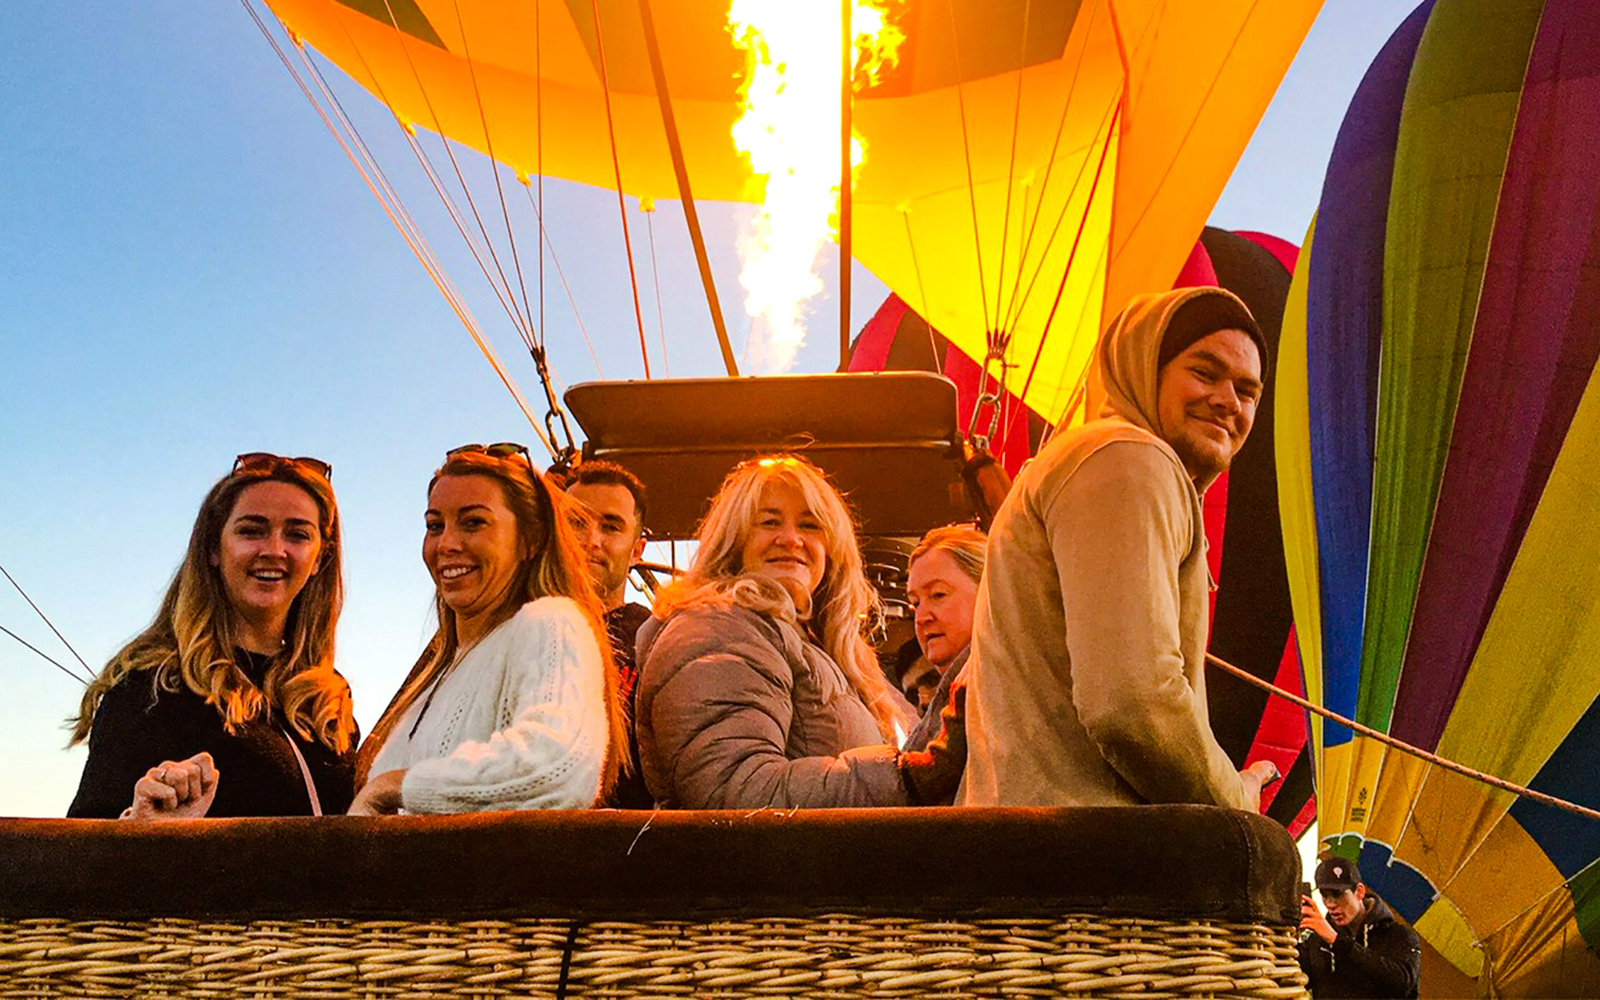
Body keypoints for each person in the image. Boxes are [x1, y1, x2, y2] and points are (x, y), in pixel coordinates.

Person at [959, 286, 1280, 809]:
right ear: (1145, 366)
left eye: (1247, 391)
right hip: (1091, 862)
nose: (1227, 401)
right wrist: (1234, 801)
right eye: (1204, 372)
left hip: (1039, 847)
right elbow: (1132, 700)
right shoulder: (1129, 458)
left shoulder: (1094, 459)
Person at [635, 455, 962, 808]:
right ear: (734, 540)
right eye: (769, 522)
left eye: (810, 526)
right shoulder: (717, 627)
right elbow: (733, 791)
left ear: (832, 548)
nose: (791, 539)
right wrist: (906, 778)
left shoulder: (826, 646)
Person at [68, 453, 357, 819]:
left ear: (320, 559)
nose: (274, 550)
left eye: (298, 534)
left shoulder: (324, 701)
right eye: (251, 530)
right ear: (213, 549)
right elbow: (86, 845)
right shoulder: (152, 687)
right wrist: (140, 825)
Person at [351, 443, 626, 814]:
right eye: (435, 526)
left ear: (530, 540)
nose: (446, 544)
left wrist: (392, 787)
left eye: (473, 522)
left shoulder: (550, 621)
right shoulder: (438, 673)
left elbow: (557, 766)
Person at [565, 459, 653, 808]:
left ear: (636, 550)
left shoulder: (656, 638)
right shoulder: (514, 629)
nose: (591, 541)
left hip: (621, 842)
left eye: (611, 527)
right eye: (576, 523)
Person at [902, 523, 984, 751]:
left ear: (988, 590)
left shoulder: (997, 691)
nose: (921, 618)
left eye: (938, 594)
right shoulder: (955, 698)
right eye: (915, 603)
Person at [1298, 856, 1421, 998]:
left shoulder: (1399, 936)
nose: (1331, 904)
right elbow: (1292, 976)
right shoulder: (1318, 941)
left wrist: (1338, 942)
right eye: (1324, 896)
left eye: (1338, 895)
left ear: (1359, 892)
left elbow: (1403, 984)